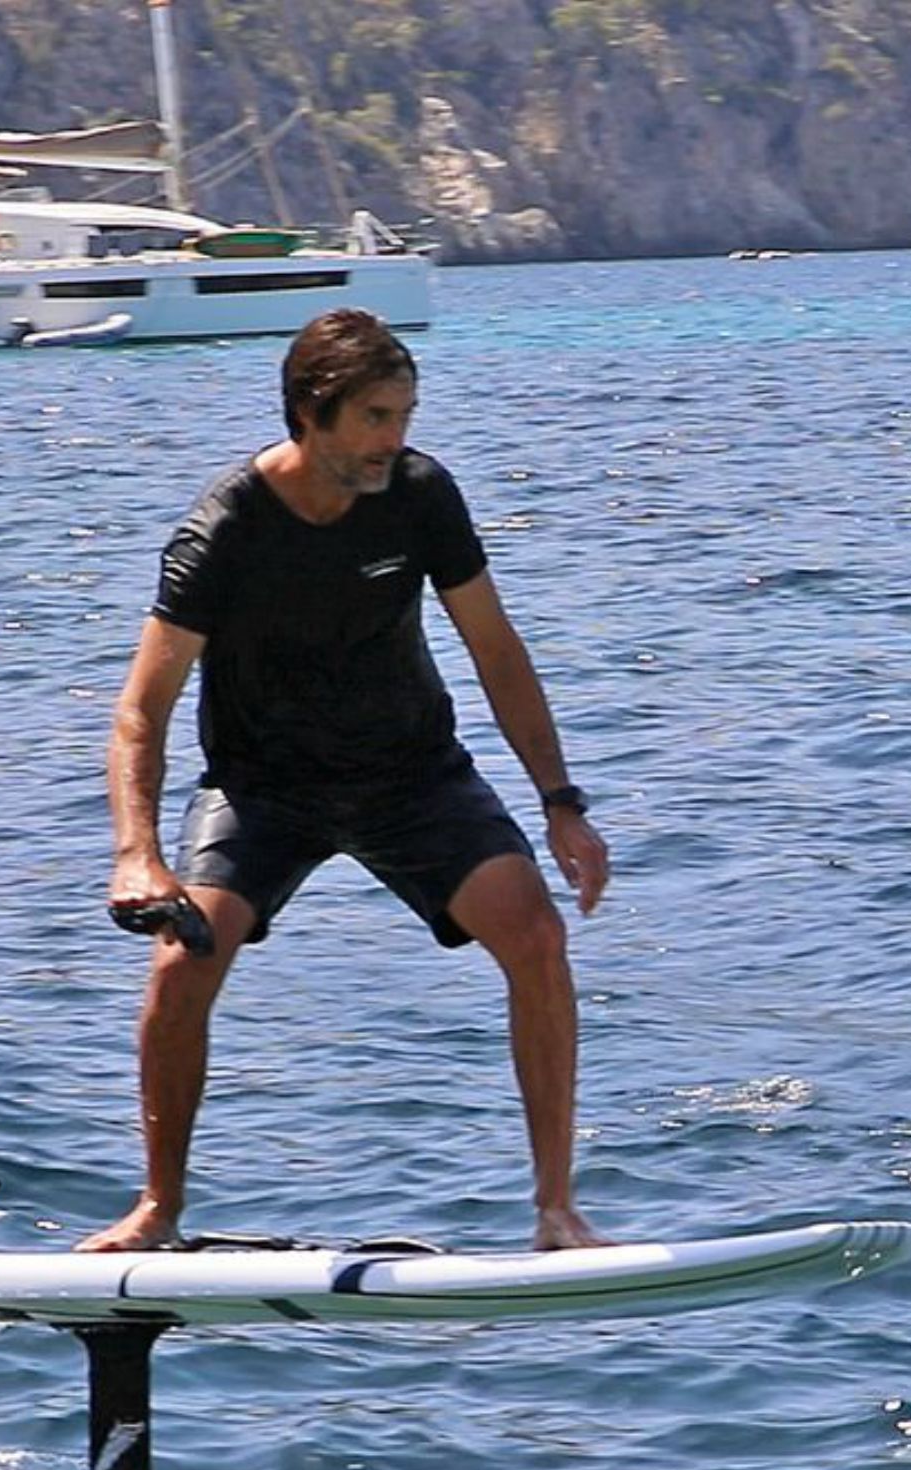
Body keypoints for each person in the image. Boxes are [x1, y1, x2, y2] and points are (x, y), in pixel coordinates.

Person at [78, 308, 610, 1254]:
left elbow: (496, 651)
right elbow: (139, 713)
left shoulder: (419, 495)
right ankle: (159, 1209)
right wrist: (138, 856)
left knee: (535, 934)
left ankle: (556, 1211)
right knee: (179, 961)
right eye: (372, 416)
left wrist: (561, 803)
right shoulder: (223, 530)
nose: (393, 438)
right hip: (265, 787)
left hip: (412, 776)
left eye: (402, 413)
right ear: (309, 414)